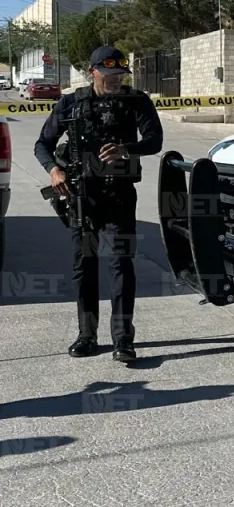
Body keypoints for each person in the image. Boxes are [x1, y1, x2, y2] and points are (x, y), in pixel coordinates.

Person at [33, 46, 163, 363]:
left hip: (119, 195)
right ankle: (86, 336)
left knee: (121, 265)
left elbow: (155, 140)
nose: (116, 81)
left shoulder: (136, 101)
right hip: (82, 197)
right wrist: (54, 170)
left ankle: (122, 339)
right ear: (93, 73)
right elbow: (42, 144)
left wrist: (126, 149)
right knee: (85, 268)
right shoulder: (71, 102)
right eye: (109, 76)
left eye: (120, 75)